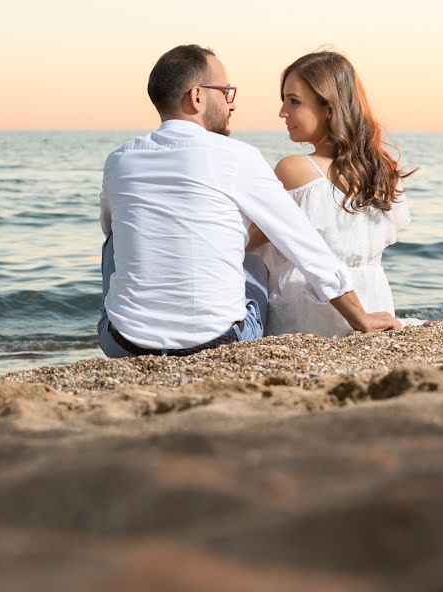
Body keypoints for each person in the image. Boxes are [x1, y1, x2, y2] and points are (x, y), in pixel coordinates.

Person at [98, 45, 400, 359]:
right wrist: (359, 317)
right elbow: (303, 243)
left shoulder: (119, 160)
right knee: (250, 247)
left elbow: (110, 228)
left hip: (124, 345)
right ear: (197, 96)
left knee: (115, 240)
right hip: (220, 342)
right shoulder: (238, 157)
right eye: (226, 92)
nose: (232, 103)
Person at [248, 51, 420, 337]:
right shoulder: (383, 172)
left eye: (294, 101)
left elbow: (246, 242)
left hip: (310, 314)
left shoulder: (294, 170)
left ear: (328, 108)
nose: (282, 112)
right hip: (375, 305)